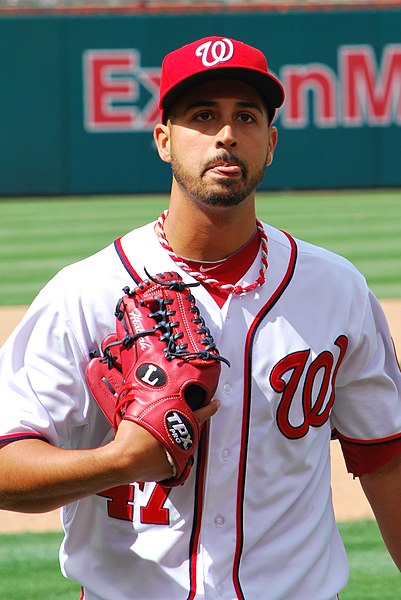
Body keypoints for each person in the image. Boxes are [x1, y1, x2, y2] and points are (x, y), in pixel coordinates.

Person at [0, 35, 400, 600]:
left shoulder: (337, 290)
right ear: (164, 139)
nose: (226, 135)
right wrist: (119, 461)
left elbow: (385, 460)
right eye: (203, 115)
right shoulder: (86, 294)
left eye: (247, 116)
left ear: (271, 143)